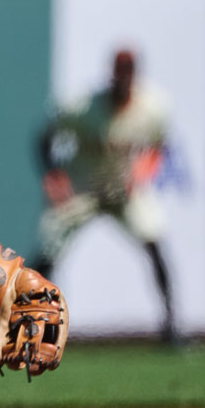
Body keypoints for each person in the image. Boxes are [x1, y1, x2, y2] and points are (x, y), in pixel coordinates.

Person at [35, 50, 178, 343]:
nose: (123, 78)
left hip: (123, 188)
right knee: (50, 247)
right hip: (83, 185)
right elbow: (46, 136)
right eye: (120, 71)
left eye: (129, 71)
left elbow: (157, 146)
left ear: (135, 75)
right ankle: (34, 325)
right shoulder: (84, 106)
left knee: (154, 241)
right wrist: (54, 176)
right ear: (111, 74)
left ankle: (171, 327)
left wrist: (143, 172)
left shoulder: (154, 106)